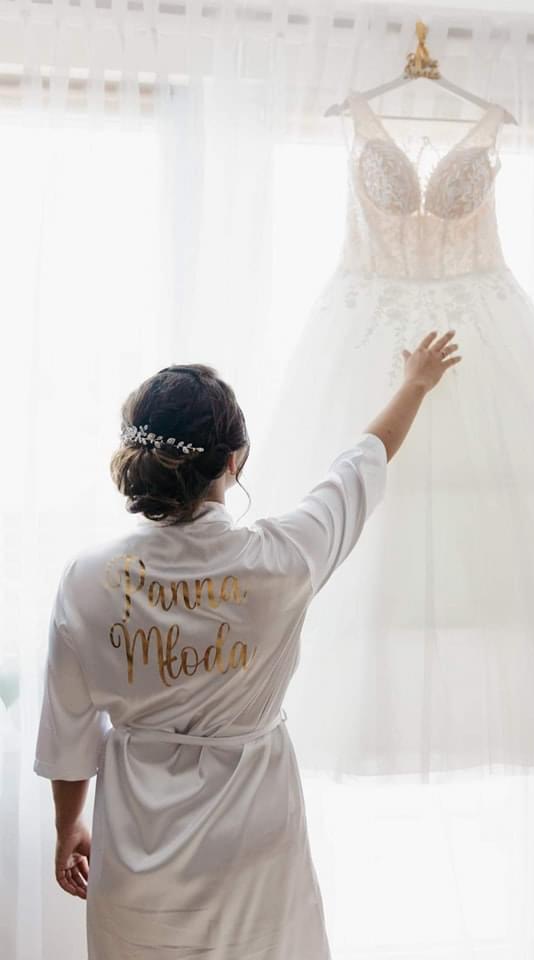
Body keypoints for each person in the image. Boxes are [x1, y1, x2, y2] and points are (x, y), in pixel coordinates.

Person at [33, 329, 460, 960]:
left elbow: (68, 725)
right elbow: (361, 465)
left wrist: (68, 824)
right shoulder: (284, 558)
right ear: (234, 462)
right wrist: (416, 384)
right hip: (255, 843)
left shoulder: (87, 577)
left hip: (138, 848)